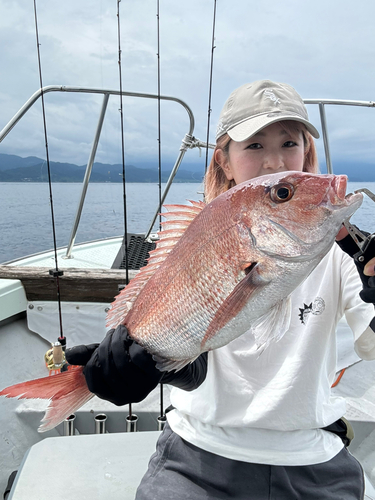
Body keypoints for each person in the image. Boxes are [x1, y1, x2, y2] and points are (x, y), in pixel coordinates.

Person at [66, 80, 375, 499]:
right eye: (253, 146)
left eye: (289, 143)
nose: (274, 162)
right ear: (224, 161)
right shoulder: (203, 236)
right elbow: (190, 340)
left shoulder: (345, 252)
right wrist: (143, 363)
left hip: (313, 458)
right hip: (194, 455)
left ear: (307, 153)